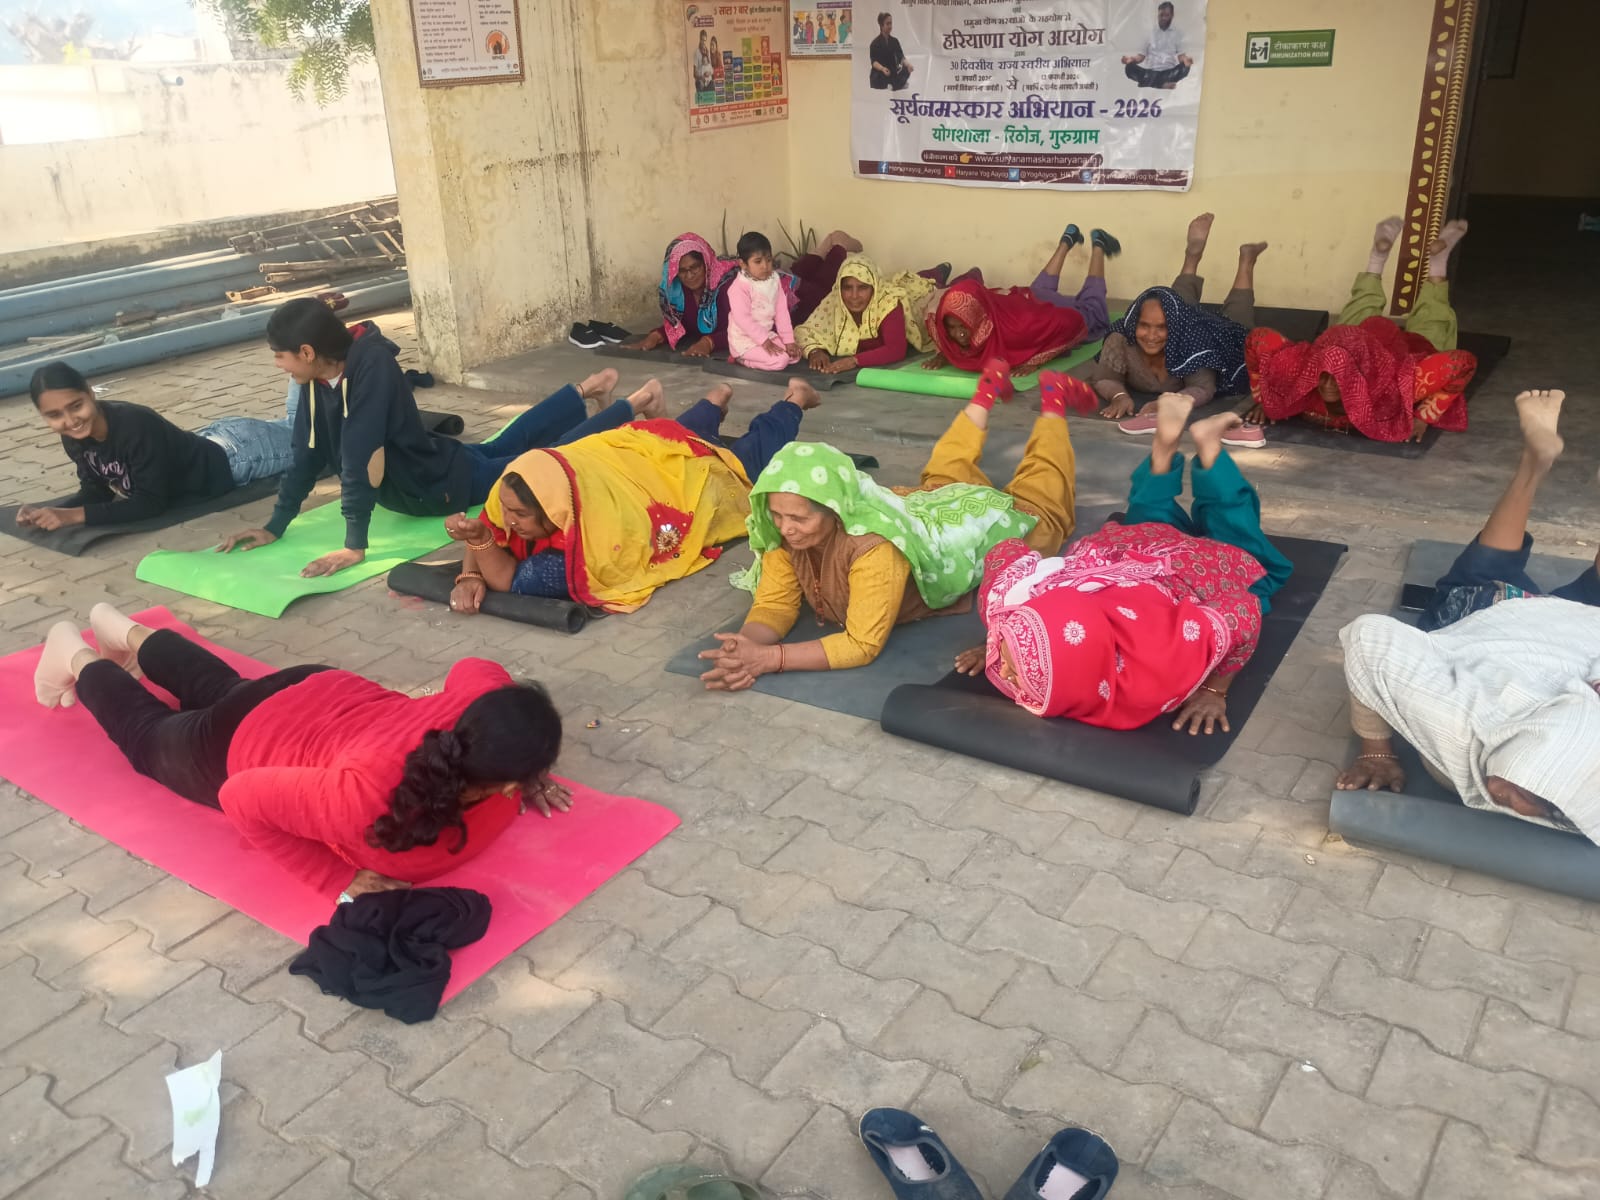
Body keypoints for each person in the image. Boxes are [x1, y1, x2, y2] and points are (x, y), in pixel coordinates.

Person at [31, 603, 571, 898]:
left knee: (222, 688)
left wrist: (522, 758)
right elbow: (241, 798)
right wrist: (336, 880)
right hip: (240, 742)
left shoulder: (479, 706)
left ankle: (122, 629)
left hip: (314, 687)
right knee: (148, 737)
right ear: (505, 784)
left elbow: (477, 666)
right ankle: (73, 652)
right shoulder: (365, 798)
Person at [697, 360, 1082, 686]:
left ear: (836, 510)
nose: (785, 527)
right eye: (778, 515)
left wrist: (770, 659)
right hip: (924, 510)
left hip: (962, 533)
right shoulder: (784, 532)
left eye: (799, 517)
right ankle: (985, 394)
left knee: (1040, 507)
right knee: (942, 482)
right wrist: (743, 646)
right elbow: (775, 604)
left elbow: (861, 644)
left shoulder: (875, 548)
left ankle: (1052, 404)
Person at [216, 301, 657, 577]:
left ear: (308, 353)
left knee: (542, 461)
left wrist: (354, 547)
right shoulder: (315, 381)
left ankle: (635, 403)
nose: (279, 366)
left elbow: (361, 458)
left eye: (280, 357)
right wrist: (275, 525)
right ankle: (588, 389)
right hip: (438, 461)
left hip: (438, 487)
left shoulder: (371, 367)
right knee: (506, 443)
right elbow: (306, 455)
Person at [958, 393, 1292, 734]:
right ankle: (1173, 449)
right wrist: (1005, 637)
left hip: (1189, 570)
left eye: (1008, 665)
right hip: (1115, 555)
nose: (1003, 671)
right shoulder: (1007, 599)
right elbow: (1005, 552)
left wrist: (1213, 690)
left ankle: (1207, 448)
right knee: (1146, 523)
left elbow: (1243, 608)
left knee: (1243, 548)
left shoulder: (1155, 669)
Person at [443, 378, 820, 614]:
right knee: (676, 438)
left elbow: (509, 579)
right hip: (643, 450)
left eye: (521, 515)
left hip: (677, 486)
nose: (509, 521)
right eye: (508, 510)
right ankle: (713, 401)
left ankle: (794, 399)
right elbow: (489, 521)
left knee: (740, 466)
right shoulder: (520, 484)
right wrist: (470, 571)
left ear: (556, 511)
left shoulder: (588, 548)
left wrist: (480, 543)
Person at [1245, 216, 1475, 443]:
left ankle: (1435, 264)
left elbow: (1462, 363)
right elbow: (1257, 339)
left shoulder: (1400, 386)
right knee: (1354, 320)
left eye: (1337, 379)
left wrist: (1424, 416)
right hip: (1351, 342)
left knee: (1432, 330)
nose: (1326, 387)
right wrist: (1265, 399)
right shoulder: (1301, 372)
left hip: (1393, 355)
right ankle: (1380, 257)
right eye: (1323, 377)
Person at [15, 361, 295, 534]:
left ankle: (312, 364)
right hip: (215, 438)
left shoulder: (135, 425)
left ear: (90, 393)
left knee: (312, 439)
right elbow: (96, 490)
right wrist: (48, 512)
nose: (70, 421)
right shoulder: (73, 436)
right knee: (298, 426)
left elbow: (151, 502)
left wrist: (73, 516)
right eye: (54, 415)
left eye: (76, 406)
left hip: (239, 454)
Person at [1093, 213, 1268, 438]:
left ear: (1174, 328)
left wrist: (1169, 404)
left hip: (1211, 332)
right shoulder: (1121, 337)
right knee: (1175, 301)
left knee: (1237, 322)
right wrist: (1119, 396)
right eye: (1144, 326)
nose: (1151, 335)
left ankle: (1246, 261)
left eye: (1161, 328)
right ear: (1134, 322)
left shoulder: (1193, 341)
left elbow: (1203, 387)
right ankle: (1192, 255)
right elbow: (1105, 377)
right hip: (1181, 317)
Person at [924, 226, 1119, 373]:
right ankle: (1067, 240)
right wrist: (944, 354)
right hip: (1028, 296)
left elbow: (1070, 322)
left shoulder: (1016, 329)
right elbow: (941, 327)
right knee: (1040, 290)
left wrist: (1035, 360)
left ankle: (1099, 246)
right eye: (952, 327)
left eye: (963, 326)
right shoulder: (974, 310)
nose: (959, 334)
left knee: (1092, 311)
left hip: (1039, 311)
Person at [798, 253, 939, 374]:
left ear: (874, 288)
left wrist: (854, 361)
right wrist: (814, 351)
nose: (854, 296)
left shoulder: (889, 302)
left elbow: (896, 349)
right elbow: (804, 331)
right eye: (847, 287)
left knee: (932, 291)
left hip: (920, 301)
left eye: (862, 287)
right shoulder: (835, 300)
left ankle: (939, 272)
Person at [632, 233, 737, 357]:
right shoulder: (679, 292)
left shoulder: (728, 287)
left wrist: (709, 342)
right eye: (682, 271)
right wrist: (656, 336)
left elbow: (741, 330)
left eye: (695, 267)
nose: (689, 275)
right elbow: (682, 325)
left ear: (706, 263)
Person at [727, 231, 800, 371]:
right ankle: (742, 359)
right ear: (743, 264)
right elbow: (743, 319)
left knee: (793, 355)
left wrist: (788, 340)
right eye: (758, 261)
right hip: (744, 341)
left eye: (769, 260)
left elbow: (781, 312)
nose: (765, 266)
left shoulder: (774, 280)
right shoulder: (739, 287)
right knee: (781, 361)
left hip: (766, 336)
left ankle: (766, 356)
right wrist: (764, 341)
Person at [1123, 1, 1193, 89]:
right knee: (1129, 68)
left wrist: (1186, 60)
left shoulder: (1178, 34)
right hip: (1150, 72)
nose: (1163, 18)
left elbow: (1181, 57)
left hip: (1169, 73)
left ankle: (1149, 83)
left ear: (1172, 15)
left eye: (1167, 15)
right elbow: (1141, 57)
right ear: (1158, 15)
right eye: (1161, 15)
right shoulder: (1149, 33)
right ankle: (1161, 84)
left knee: (1185, 68)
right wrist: (1131, 59)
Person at [870, 12, 911, 90]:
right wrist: (882, 68)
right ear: (881, 25)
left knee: (906, 70)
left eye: (891, 23)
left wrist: (908, 64)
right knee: (880, 77)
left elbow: (900, 56)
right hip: (881, 73)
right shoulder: (875, 43)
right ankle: (895, 85)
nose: (890, 26)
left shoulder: (894, 41)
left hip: (892, 72)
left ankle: (894, 85)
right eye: (887, 24)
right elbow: (874, 62)